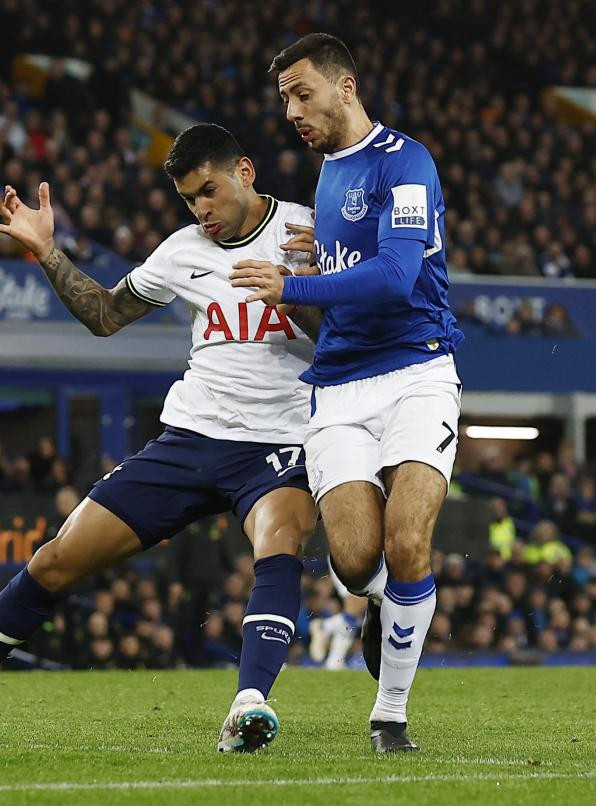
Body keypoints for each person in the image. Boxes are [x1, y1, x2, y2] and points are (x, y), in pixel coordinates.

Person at [0, 124, 319, 753]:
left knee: (280, 541)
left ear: (245, 171)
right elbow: (105, 315)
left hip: (278, 442)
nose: (201, 210)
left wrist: (305, 286)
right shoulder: (182, 250)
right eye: (189, 200)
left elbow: (361, 321)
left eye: (208, 191)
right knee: (55, 560)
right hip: (189, 437)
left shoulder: (308, 232)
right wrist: (47, 253)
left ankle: (248, 704)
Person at [231, 33, 463, 753]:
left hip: (419, 371)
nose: (293, 110)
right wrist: (306, 283)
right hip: (338, 387)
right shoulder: (325, 182)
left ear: (346, 87)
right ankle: (374, 604)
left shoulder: (407, 163)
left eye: (303, 93)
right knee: (359, 560)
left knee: (408, 542)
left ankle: (389, 716)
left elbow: (395, 276)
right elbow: (338, 298)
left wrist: (292, 282)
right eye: (284, 100)